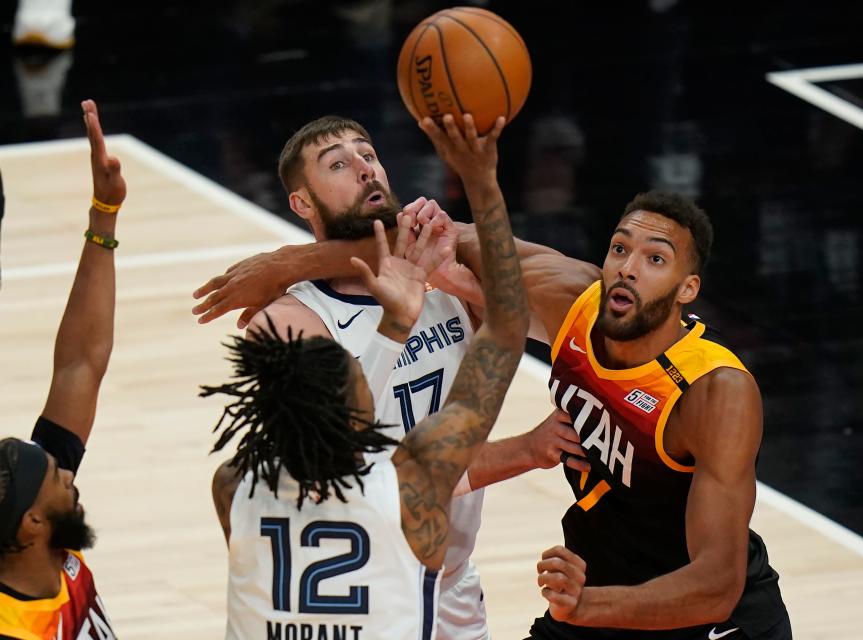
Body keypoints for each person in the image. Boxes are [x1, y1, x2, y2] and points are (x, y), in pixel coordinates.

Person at [192, 186, 791, 638]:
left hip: (706, 622)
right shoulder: (571, 301)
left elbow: (717, 584)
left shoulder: (715, 391)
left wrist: (588, 606)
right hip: (594, 581)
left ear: (688, 288)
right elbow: (437, 236)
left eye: (655, 259)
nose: (628, 266)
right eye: (618, 248)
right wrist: (286, 265)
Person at [194, 113, 588, 640]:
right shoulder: (288, 322)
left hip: (449, 583)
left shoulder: (448, 285)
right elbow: (363, 467)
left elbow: (572, 311)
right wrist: (528, 448)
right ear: (302, 204)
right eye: (338, 163)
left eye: (368, 153)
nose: (364, 168)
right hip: (369, 592)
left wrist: (462, 276)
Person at [0, 100, 124, 638]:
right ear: (33, 524)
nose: (70, 474)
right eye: (57, 477)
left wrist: (103, 214)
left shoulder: (44, 536)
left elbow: (81, 364)